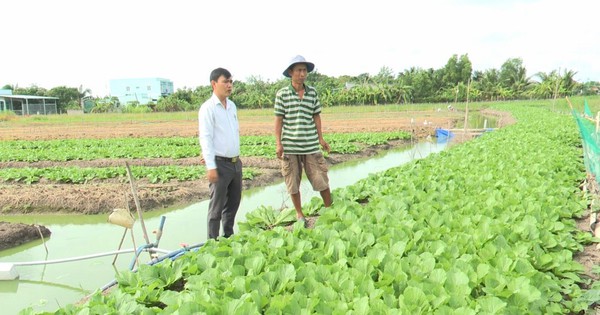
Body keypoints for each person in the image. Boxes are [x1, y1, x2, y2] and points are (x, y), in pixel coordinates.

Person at [274, 55, 332, 226]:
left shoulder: (312, 92)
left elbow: (316, 116)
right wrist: (278, 143)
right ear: (291, 72)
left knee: (321, 179)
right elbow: (279, 120)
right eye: (299, 70)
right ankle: (300, 214)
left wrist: (321, 138)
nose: (302, 74)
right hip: (290, 147)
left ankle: (330, 209)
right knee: (292, 182)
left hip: (310, 145)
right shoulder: (282, 94)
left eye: (304, 70)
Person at [198, 68, 242, 240]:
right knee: (216, 207)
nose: (229, 85)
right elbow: (206, 137)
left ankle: (228, 237)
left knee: (233, 204)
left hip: (235, 163)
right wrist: (211, 165)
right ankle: (212, 242)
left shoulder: (232, 106)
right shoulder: (208, 108)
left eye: (231, 82)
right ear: (214, 84)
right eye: (226, 81)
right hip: (219, 164)